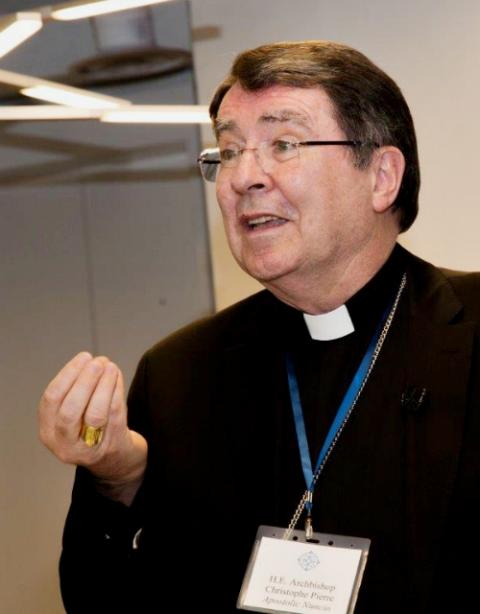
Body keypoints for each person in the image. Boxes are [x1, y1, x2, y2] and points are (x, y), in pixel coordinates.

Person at [38, 40, 480, 613]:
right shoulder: (179, 373)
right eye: (228, 150)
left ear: (381, 177)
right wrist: (116, 480)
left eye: (285, 144)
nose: (244, 176)